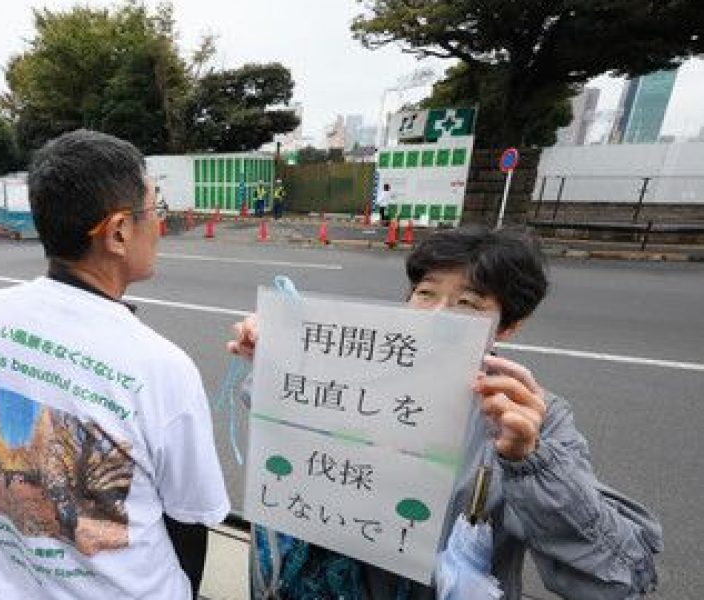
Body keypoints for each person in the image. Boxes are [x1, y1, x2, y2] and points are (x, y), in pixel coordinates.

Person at [227, 226, 663, 599]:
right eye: (425, 294)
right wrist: (278, 368)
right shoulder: (352, 379)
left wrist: (531, 461)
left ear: (508, 326)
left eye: (467, 305)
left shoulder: (531, 420)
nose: (436, 316)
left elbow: (618, 576)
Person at [0, 129, 230, 599]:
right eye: (156, 211)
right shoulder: (159, 366)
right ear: (117, 232)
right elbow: (188, 523)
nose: (161, 226)